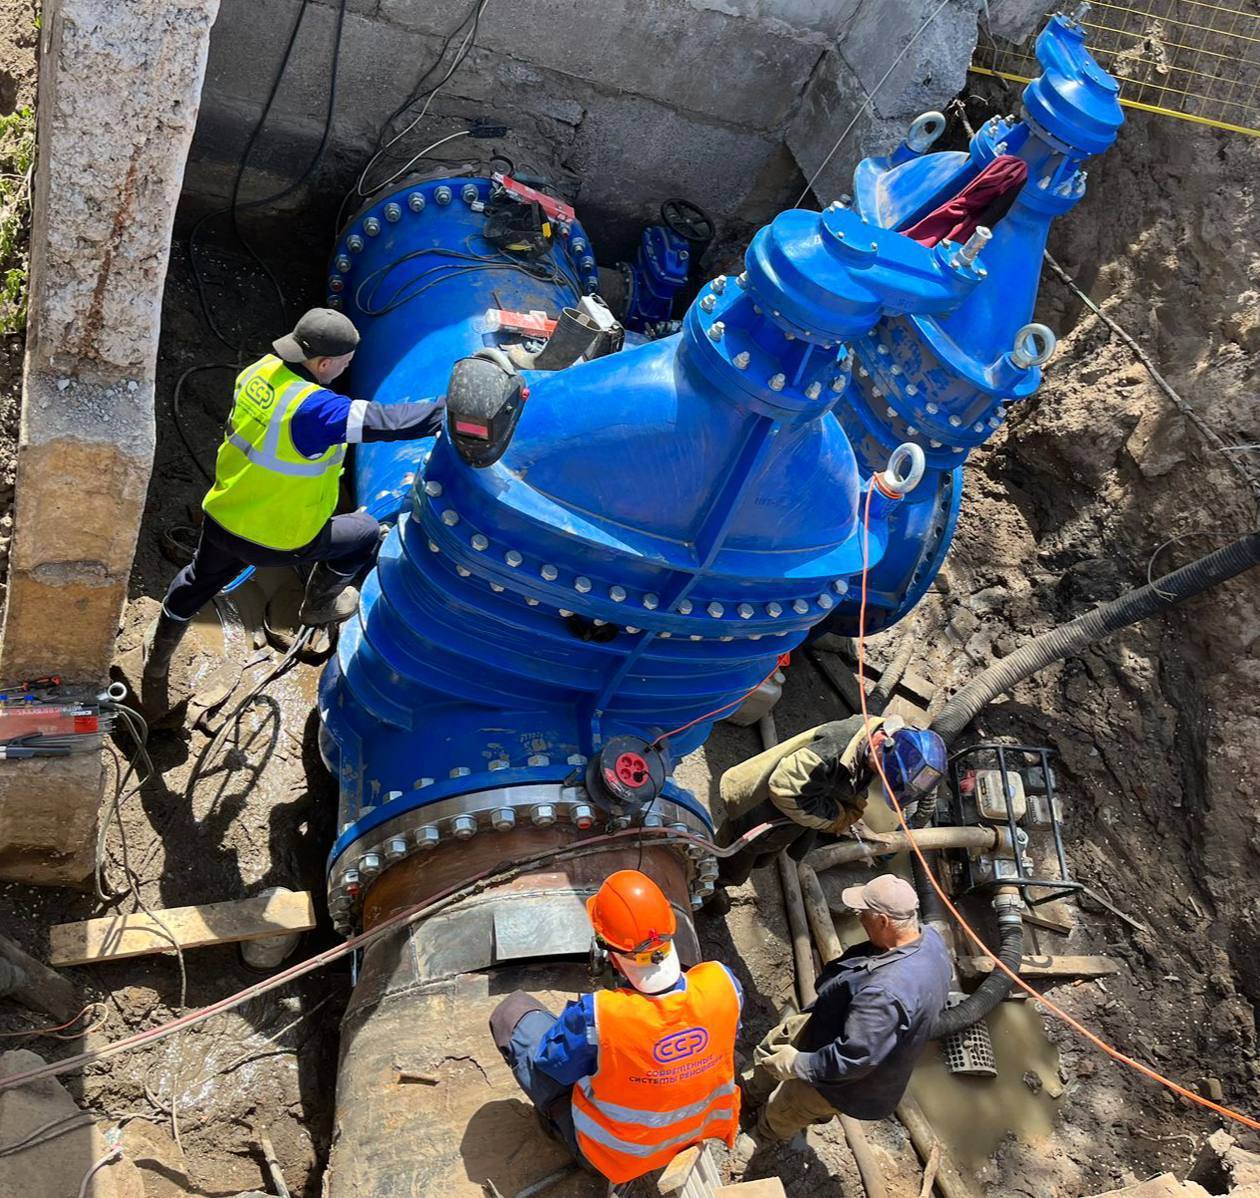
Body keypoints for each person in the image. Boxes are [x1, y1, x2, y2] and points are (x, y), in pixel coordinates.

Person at [143, 309, 445, 678]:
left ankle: (157, 661)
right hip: (280, 537)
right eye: (345, 364)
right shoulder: (317, 411)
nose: (347, 370)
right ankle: (318, 605)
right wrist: (454, 411)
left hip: (226, 516)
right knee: (364, 534)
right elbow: (389, 421)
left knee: (195, 582)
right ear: (323, 363)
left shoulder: (259, 372)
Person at [489, 870, 743, 1185]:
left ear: (607, 949)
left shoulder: (601, 1015)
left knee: (512, 1015)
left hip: (616, 1156)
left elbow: (550, 1064)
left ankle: (562, 1131)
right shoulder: (723, 983)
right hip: (698, 1132)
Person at [744, 873, 951, 1141]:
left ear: (883, 921)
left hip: (845, 1080)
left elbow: (852, 1059)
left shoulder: (885, 992)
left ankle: (759, 1137)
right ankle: (749, 1092)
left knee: (787, 1107)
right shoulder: (930, 938)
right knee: (773, 1046)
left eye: (862, 913)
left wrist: (798, 1063)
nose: (859, 917)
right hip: (833, 1022)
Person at [718, 716, 947, 886]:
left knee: (762, 860)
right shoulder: (831, 751)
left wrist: (852, 803)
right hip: (759, 814)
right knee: (732, 865)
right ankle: (705, 888)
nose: (881, 776)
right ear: (882, 741)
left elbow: (850, 778)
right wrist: (835, 819)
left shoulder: (878, 747)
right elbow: (785, 789)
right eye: (883, 771)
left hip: (786, 824)